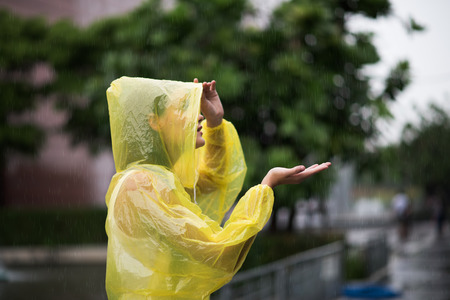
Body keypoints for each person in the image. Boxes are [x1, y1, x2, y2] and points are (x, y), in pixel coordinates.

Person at [105, 76, 331, 299]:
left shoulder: (159, 179)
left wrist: (215, 122)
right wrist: (267, 185)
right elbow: (218, 254)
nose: (199, 114)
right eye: (184, 107)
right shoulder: (140, 185)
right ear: (154, 121)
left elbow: (213, 180)